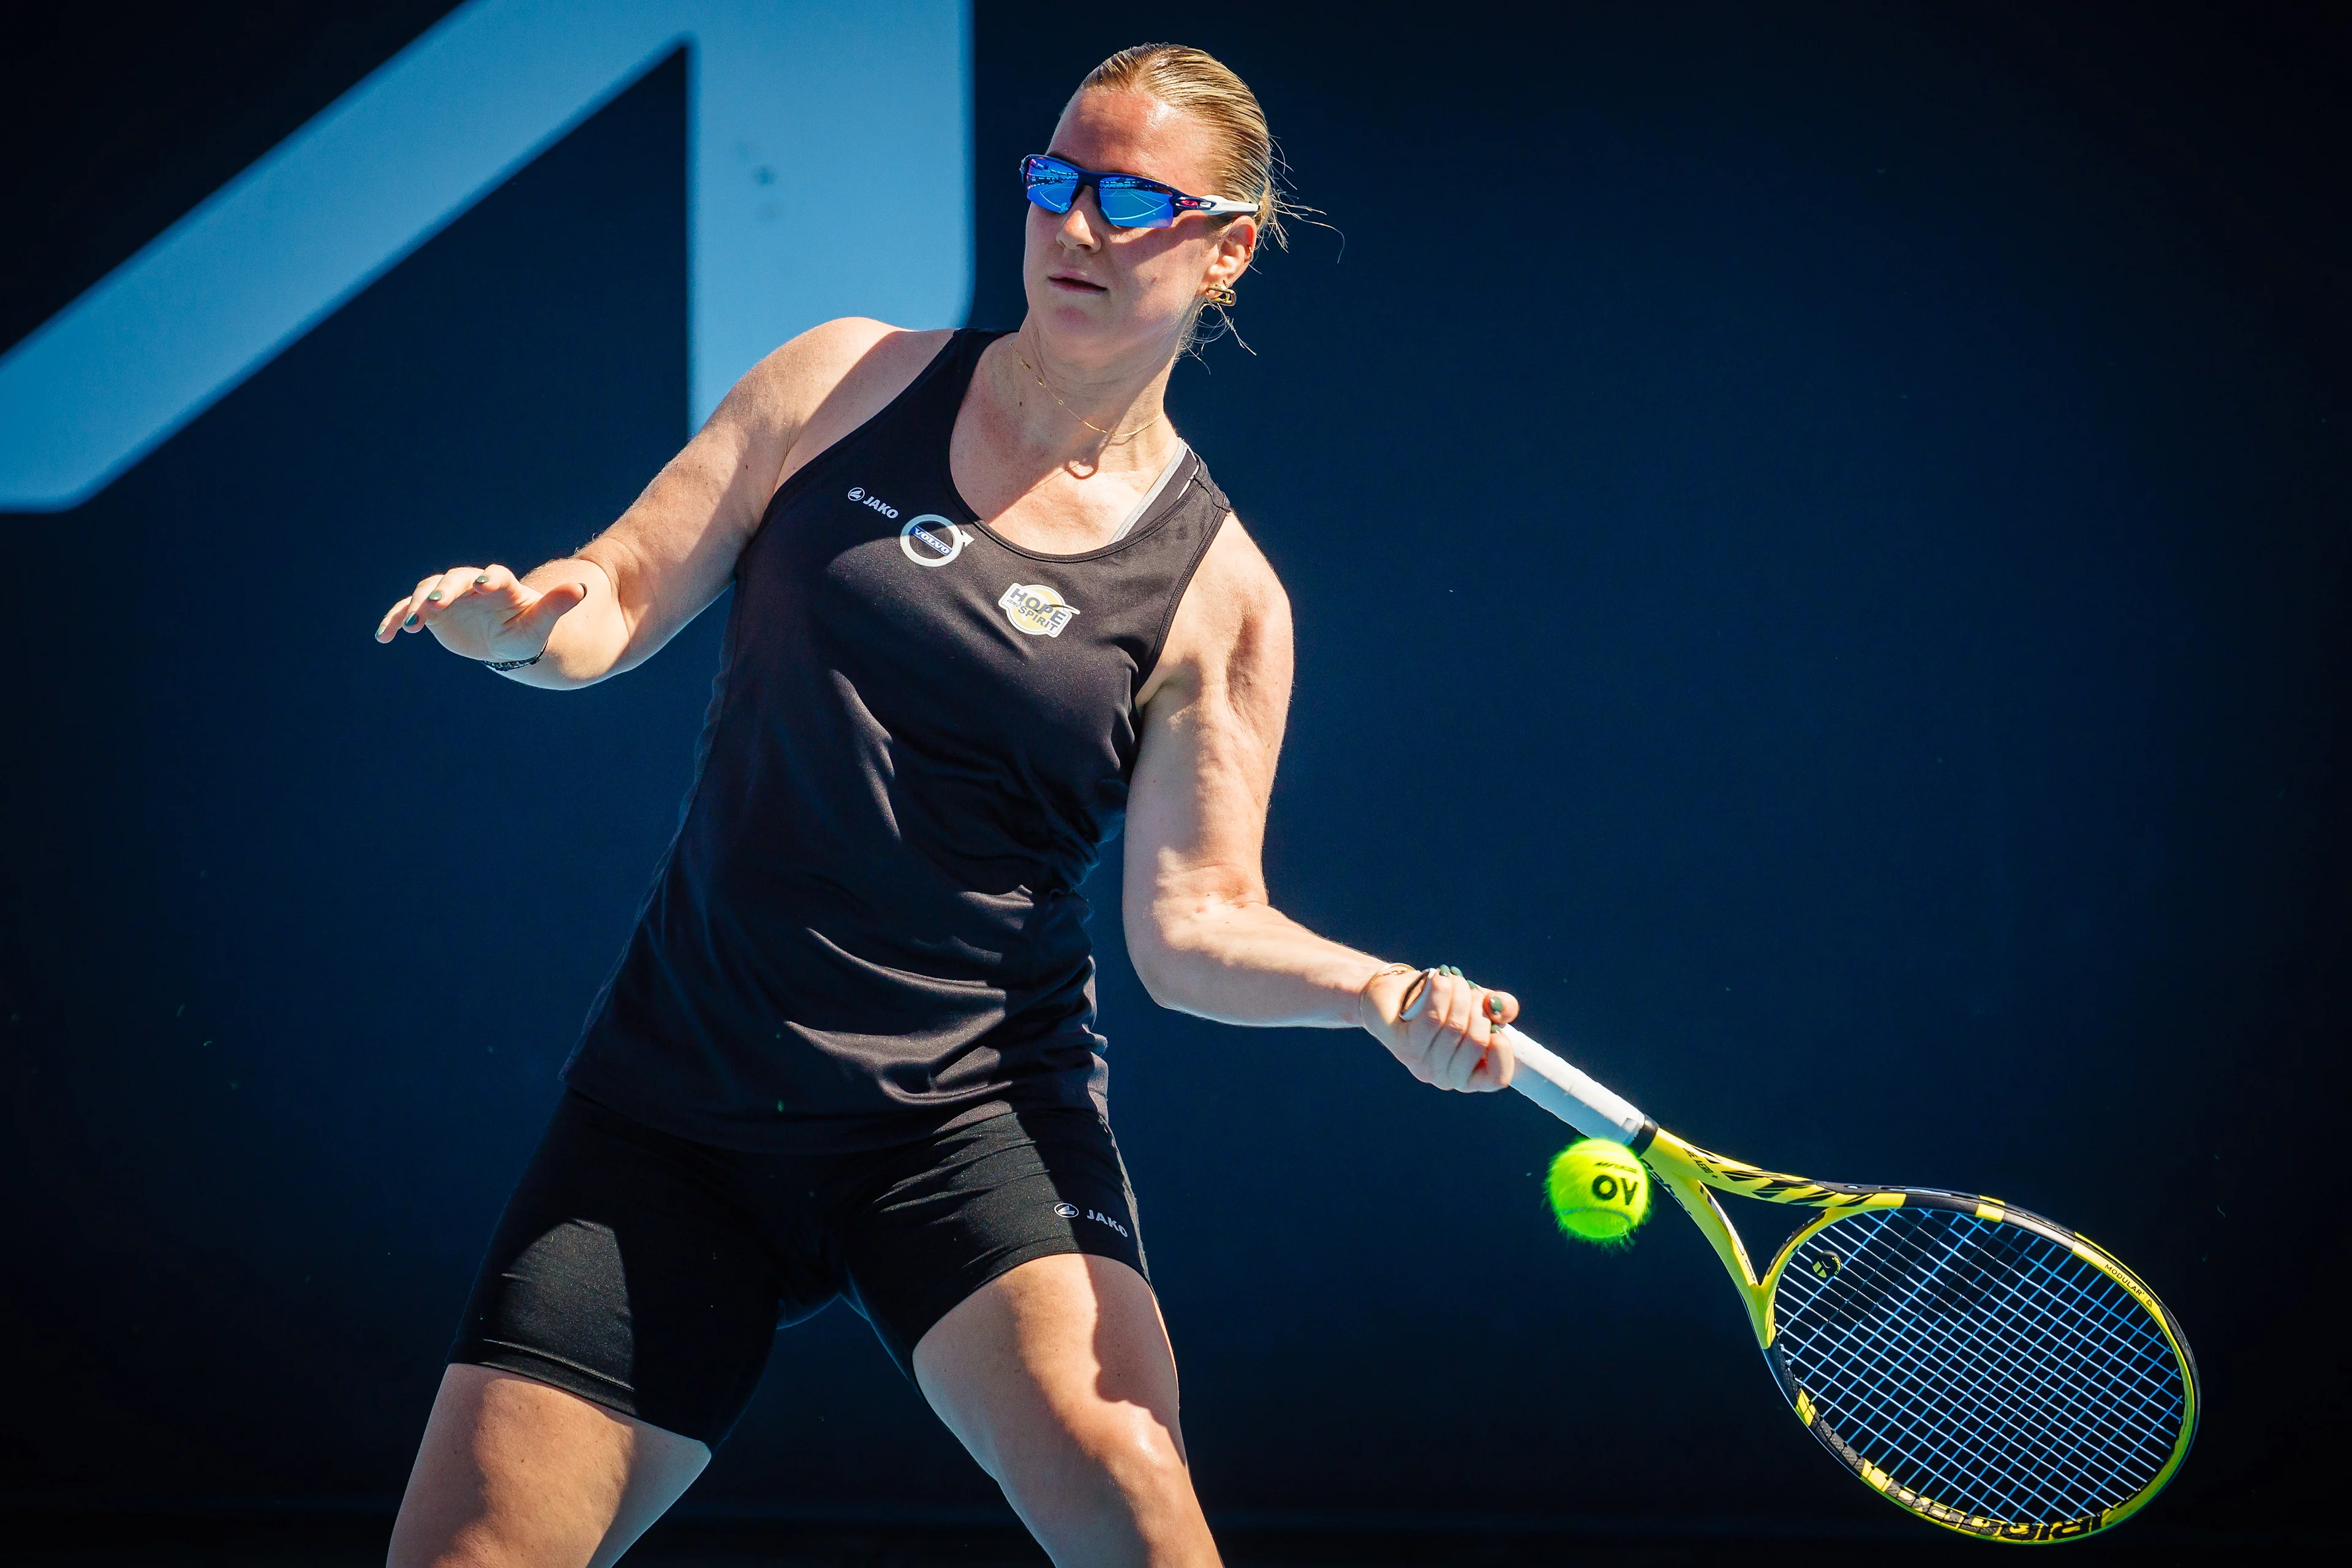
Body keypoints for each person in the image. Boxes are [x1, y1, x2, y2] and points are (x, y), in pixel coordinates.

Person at [375, 43, 1520, 1568]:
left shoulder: (1222, 594)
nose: (1078, 230)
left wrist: (1374, 991)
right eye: (1058, 184)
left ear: (1229, 246)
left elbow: (1195, 928)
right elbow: (615, 593)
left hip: (967, 1122)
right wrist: (524, 629)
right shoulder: (839, 381)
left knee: (1134, 1502)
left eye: (1132, 198)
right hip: (678, 1102)